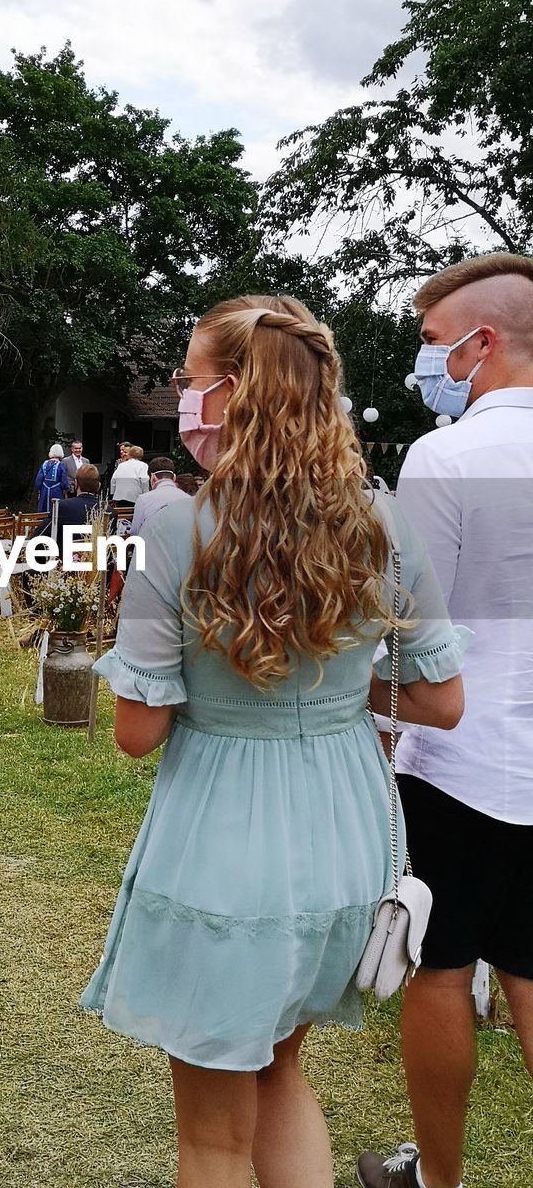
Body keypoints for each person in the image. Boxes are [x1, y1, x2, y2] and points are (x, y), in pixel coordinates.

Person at [80, 295, 468, 1188]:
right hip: (344, 838)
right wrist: (333, 684)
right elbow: (439, 700)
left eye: (188, 380)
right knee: (283, 1067)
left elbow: (138, 733)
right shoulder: (379, 520)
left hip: (226, 841)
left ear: (230, 396)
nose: (182, 396)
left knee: (214, 1137)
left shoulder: (175, 525)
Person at [357, 254, 533, 1188]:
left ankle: (438, 1175)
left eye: (434, 343)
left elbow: (406, 627)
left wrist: (376, 740)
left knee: (438, 966)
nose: (428, 363)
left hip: (456, 761)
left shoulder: (445, 455)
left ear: (483, 343)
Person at [36, 463, 102, 557]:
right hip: (99, 567)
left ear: (75, 484)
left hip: (66, 566)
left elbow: (39, 536)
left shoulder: (63, 506)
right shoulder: (110, 512)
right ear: (98, 486)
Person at [129, 456, 189, 536]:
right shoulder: (188, 498)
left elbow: (135, 532)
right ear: (174, 478)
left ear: (153, 478)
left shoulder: (143, 499)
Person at [34, 444, 70, 514]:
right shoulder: (61, 465)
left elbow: (38, 482)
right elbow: (64, 484)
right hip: (56, 492)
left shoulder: (44, 464)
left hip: (44, 492)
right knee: (55, 512)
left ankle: (43, 524)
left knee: (43, 512)